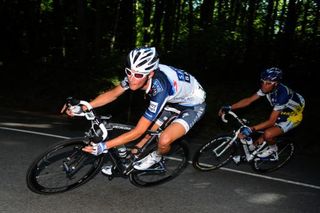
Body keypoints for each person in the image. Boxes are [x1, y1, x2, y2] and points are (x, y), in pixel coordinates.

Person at [64, 47, 206, 174]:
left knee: (163, 140)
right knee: (148, 136)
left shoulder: (160, 89)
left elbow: (138, 130)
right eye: (129, 72)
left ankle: (156, 157)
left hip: (192, 105)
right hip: (173, 99)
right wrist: (85, 107)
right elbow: (114, 93)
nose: (131, 78)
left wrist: (104, 146)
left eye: (138, 75)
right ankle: (128, 163)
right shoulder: (138, 73)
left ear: (150, 74)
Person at [218, 67, 305, 159]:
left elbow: (271, 121)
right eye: (262, 82)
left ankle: (273, 149)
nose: (264, 85)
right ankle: (252, 154)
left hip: (293, 116)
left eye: (268, 83)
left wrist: (251, 129)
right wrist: (230, 107)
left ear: (276, 84)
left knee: (268, 134)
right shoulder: (268, 88)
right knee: (253, 147)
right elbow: (249, 100)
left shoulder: (283, 95)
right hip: (281, 110)